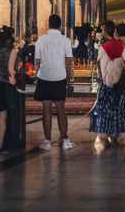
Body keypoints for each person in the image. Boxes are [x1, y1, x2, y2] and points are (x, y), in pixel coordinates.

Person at [34, 13, 76, 151]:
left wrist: (38, 72)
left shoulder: (41, 39)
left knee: (46, 110)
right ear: (60, 25)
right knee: (61, 109)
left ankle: (47, 141)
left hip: (44, 76)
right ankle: (65, 138)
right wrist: (70, 78)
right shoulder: (65, 40)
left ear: (49, 24)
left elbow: (37, 60)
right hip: (59, 76)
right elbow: (69, 61)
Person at [90, 20, 125, 150]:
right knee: (119, 111)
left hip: (107, 85)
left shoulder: (104, 48)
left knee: (106, 111)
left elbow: (102, 69)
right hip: (119, 86)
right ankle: (119, 134)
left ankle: (106, 132)